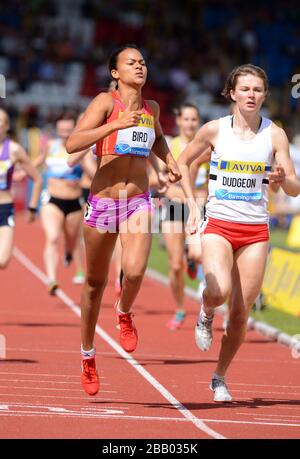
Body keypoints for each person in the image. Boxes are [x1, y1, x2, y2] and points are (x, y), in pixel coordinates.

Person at [177, 64, 300, 402]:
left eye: (257, 90)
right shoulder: (215, 130)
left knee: (240, 313)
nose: (251, 95)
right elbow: (183, 163)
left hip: (255, 231)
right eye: (244, 89)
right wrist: (190, 205)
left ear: (264, 95)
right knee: (219, 292)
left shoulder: (274, 134)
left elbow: (293, 187)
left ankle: (219, 377)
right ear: (232, 93)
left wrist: (281, 179)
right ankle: (204, 312)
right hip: (218, 224)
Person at [66, 44, 181, 396]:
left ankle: (124, 311)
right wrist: (114, 124)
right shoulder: (105, 103)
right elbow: (73, 143)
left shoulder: (152, 108)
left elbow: (159, 140)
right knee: (94, 286)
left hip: (137, 201)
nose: (139, 66)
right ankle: (88, 354)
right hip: (103, 205)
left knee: (133, 271)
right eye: (131, 63)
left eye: (143, 62)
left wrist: (169, 162)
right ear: (115, 72)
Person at [159, 103, 207, 330]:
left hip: (199, 206)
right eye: (186, 119)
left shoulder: (207, 146)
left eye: (194, 119)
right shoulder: (170, 145)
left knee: (199, 256)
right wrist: (162, 183)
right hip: (174, 206)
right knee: (175, 265)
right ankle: (179, 309)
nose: (190, 123)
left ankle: (193, 258)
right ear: (178, 121)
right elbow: (157, 175)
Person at [34, 111, 88, 295]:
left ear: (74, 129)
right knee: (52, 238)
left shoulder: (80, 148)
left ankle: (69, 253)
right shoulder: (50, 145)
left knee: (72, 240)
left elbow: (91, 173)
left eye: (68, 129)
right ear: (57, 129)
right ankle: (51, 279)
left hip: (74, 201)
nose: (64, 133)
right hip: (52, 200)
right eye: (61, 129)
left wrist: (81, 181)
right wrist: (20, 171)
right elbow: (39, 162)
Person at [0, 108, 42, 269]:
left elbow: (37, 179)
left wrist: (32, 207)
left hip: (4, 209)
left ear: (7, 126)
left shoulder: (14, 150)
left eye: (1, 121)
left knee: (3, 260)